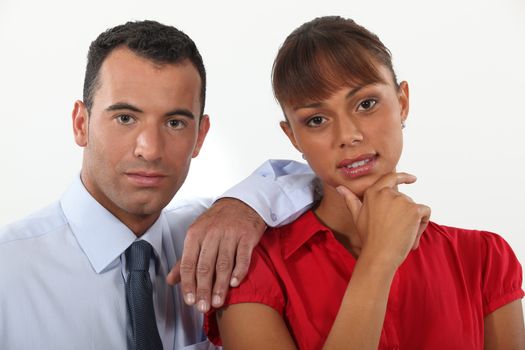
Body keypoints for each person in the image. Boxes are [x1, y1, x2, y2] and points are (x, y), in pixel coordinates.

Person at [205, 16, 525, 349]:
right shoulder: (250, 269)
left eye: (366, 104)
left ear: (402, 103)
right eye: (316, 120)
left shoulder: (484, 259)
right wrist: (378, 260)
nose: (348, 135)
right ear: (293, 137)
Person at [0, 20, 315, 350]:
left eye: (175, 123)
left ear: (200, 136)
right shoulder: (9, 271)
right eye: (125, 118)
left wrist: (244, 205)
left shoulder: (216, 237)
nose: (150, 149)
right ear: (81, 124)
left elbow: (319, 178)